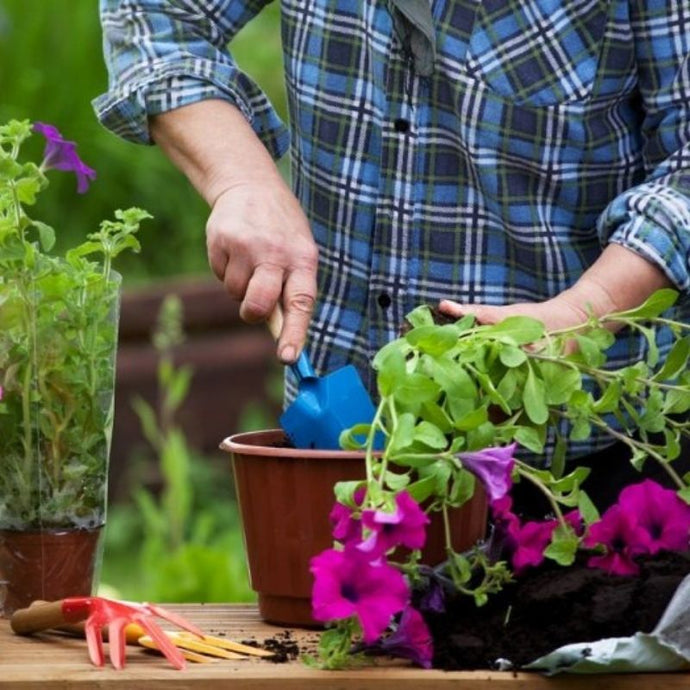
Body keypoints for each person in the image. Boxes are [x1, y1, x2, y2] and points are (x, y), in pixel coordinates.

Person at [94, 0, 690, 497]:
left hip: (589, 456)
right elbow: (156, 16)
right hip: (340, 448)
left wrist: (581, 311)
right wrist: (241, 180)